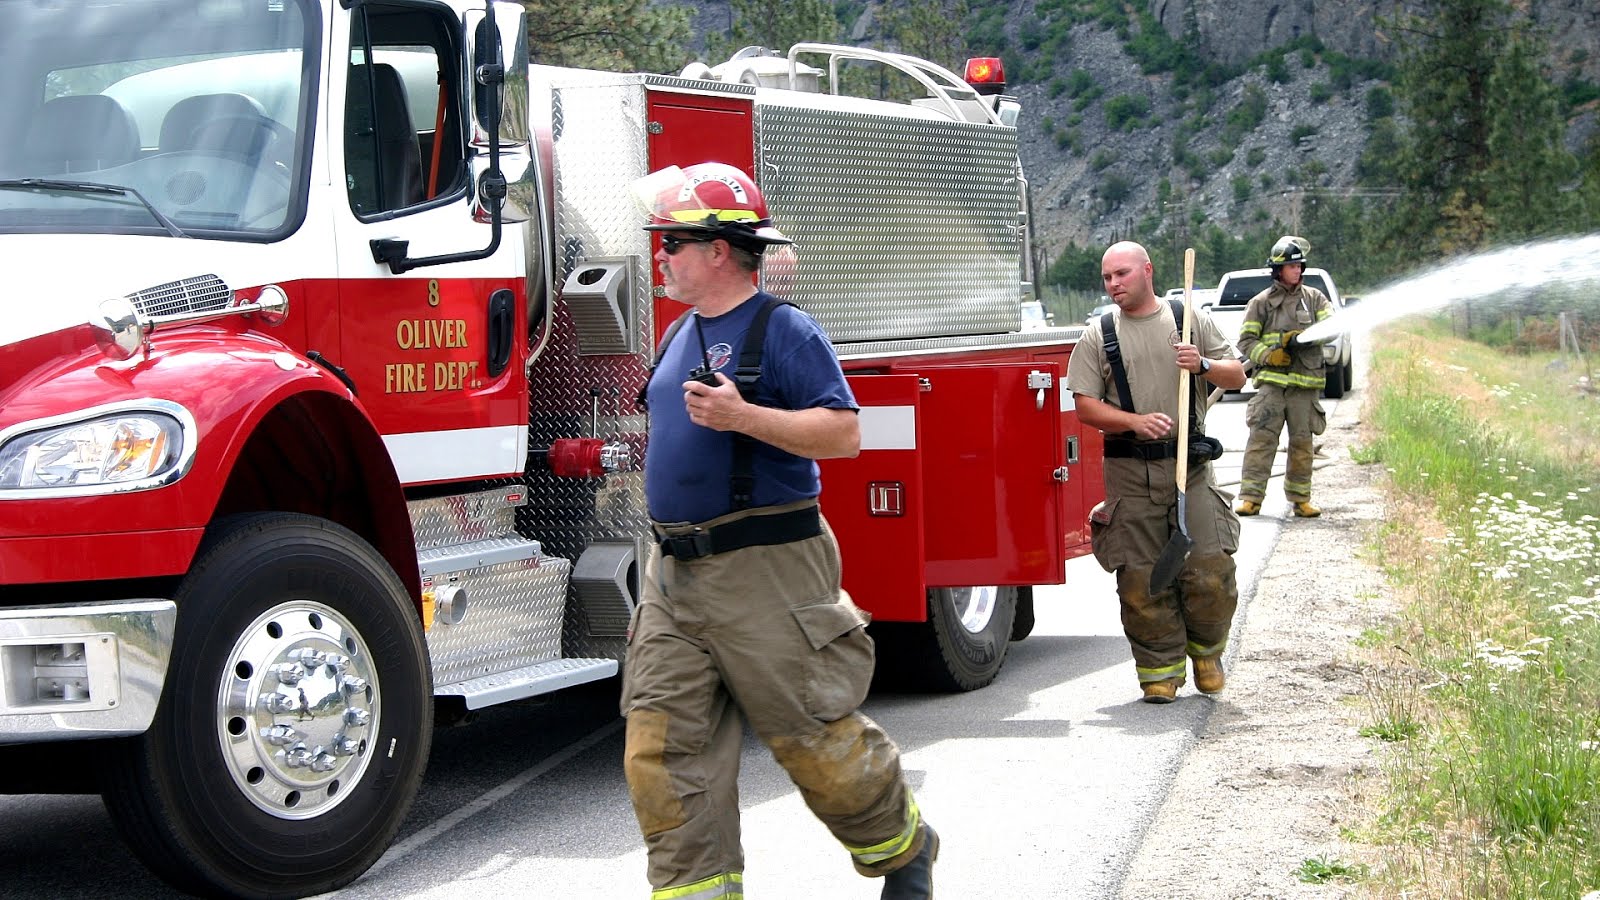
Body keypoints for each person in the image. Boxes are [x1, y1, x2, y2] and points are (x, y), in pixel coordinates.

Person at [622, 162, 937, 899]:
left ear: (719, 251)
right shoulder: (678, 333)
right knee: (661, 752)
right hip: (675, 576)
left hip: (765, 569)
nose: (661, 255)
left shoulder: (785, 330)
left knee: (814, 739)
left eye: (671, 242)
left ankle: (904, 847)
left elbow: (844, 434)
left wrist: (744, 417)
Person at [1065, 241, 1247, 703]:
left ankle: (1206, 652)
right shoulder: (1099, 334)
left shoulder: (1188, 318)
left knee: (1209, 568)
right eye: (1107, 278)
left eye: (1121, 274)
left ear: (1147, 271)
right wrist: (1134, 422)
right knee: (1142, 580)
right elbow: (1085, 405)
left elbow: (1236, 376)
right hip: (1129, 475)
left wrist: (1202, 364)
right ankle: (1158, 673)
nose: (1113, 285)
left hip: (1192, 468)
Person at [1233, 235, 1334, 518]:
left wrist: (1305, 338)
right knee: (1261, 441)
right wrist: (1270, 355)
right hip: (1272, 387)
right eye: (1292, 266)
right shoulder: (1260, 303)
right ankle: (1251, 498)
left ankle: (1301, 499)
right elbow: (1246, 342)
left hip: (1304, 388)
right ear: (1278, 270)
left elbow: (1333, 327)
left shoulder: (1315, 299)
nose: (1297, 271)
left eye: (1300, 266)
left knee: (1302, 444)